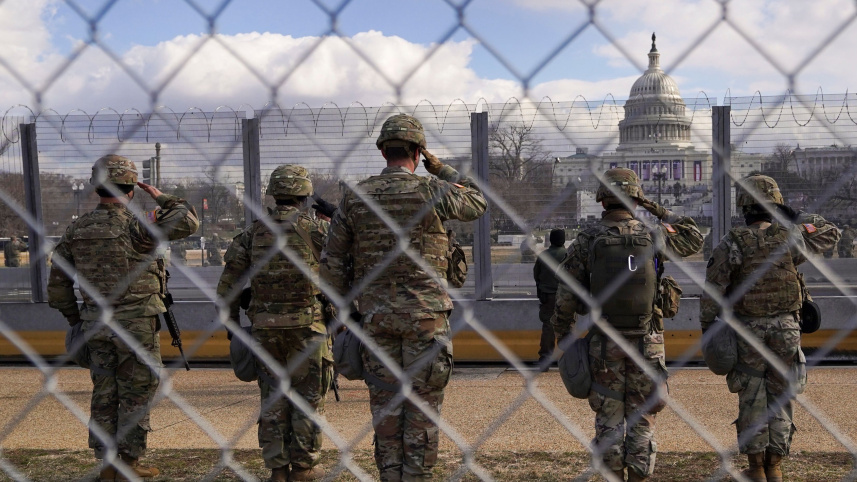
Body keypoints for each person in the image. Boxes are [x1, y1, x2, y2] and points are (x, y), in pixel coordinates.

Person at [320, 114, 487, 481]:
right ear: (417, 152)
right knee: (423, 407)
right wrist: (442, 169)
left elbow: (332, 263)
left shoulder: (356, 197)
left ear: (383, 151)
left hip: (376, 320)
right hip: (426, 320)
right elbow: (477, 202)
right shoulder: (433, 190)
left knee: (386, 407)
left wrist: (348, 311)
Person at [47, 155, 199, 481]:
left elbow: (58, 287)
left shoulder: (77, 229)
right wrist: (161, 196)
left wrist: (76, 319)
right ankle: (128, 463)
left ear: (96, 187)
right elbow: (188, 220)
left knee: (104, 391)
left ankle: (106, 464)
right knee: (136, 392)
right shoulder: (140, 226)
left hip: (95, 324)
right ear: (131, 189)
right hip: (137, 324)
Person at [551, 167, 702, 482]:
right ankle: (639, 476)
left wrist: (561, 332)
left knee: (609, 416)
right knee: (643, 415)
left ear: (602, 200)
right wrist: (653, 207)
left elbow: (566, 292)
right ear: (635, 199)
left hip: (605, 341)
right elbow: (693, 236)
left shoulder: (589, 238)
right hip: (648, 339)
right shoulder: (654, 235)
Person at [700, 175, 839, 482]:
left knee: (752, 396)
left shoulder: (733, 242)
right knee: (781, 394)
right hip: (786, 328)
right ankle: (775, 465)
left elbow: (713, 290)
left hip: (748, 329)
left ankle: (756, 467)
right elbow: (830, 232)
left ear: (743, 206)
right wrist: (795, 216)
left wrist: (708, 329)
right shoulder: (791, 237)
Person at [217, 165, 332, 482]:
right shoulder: (319, 232)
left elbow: (228, 287)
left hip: (266, 330)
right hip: (309, 329)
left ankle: (277, 469)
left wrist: (232, 325)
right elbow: (342, 275)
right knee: (308, 399)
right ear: (305, 195)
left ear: (273, 194)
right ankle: (304, 467)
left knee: (272, 399)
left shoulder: (252, 234)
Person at [533, 228, 567, 371]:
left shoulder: (544, 256)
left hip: (548, 296)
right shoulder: (568, 254)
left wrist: (541, 290)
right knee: (567, 326)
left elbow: (536, 275)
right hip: (566, 296)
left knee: (548, 326)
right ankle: (570, 360)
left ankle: (545, 359)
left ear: (551, 240)